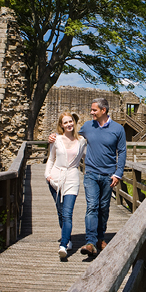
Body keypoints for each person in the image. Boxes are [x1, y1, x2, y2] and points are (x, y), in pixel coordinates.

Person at [49, 98, 126, 256]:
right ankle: (90, 242)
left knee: (103, 208)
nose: (91, 112)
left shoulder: (118, 129)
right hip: (90, 173)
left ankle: (100, 238)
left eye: (94, 110)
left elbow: (122, 151)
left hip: (108, 175)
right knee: (92, 206)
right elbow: (70, 134)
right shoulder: (88, 126)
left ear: (103, 110)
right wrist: (54, 136)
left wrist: (118, 173)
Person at [45, 112, 87, 261]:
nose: (69, 124)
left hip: (72, 179)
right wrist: (47, 175)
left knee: (68, 213)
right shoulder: (56, 139)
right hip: (55, 179)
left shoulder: (81, 141)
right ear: (61, 125)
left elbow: (88, 159)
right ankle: (68, 239)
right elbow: (51, 159)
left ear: (74, 123)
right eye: (66, 122)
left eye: (71, 121)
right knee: (60, 212)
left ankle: (63, 246)